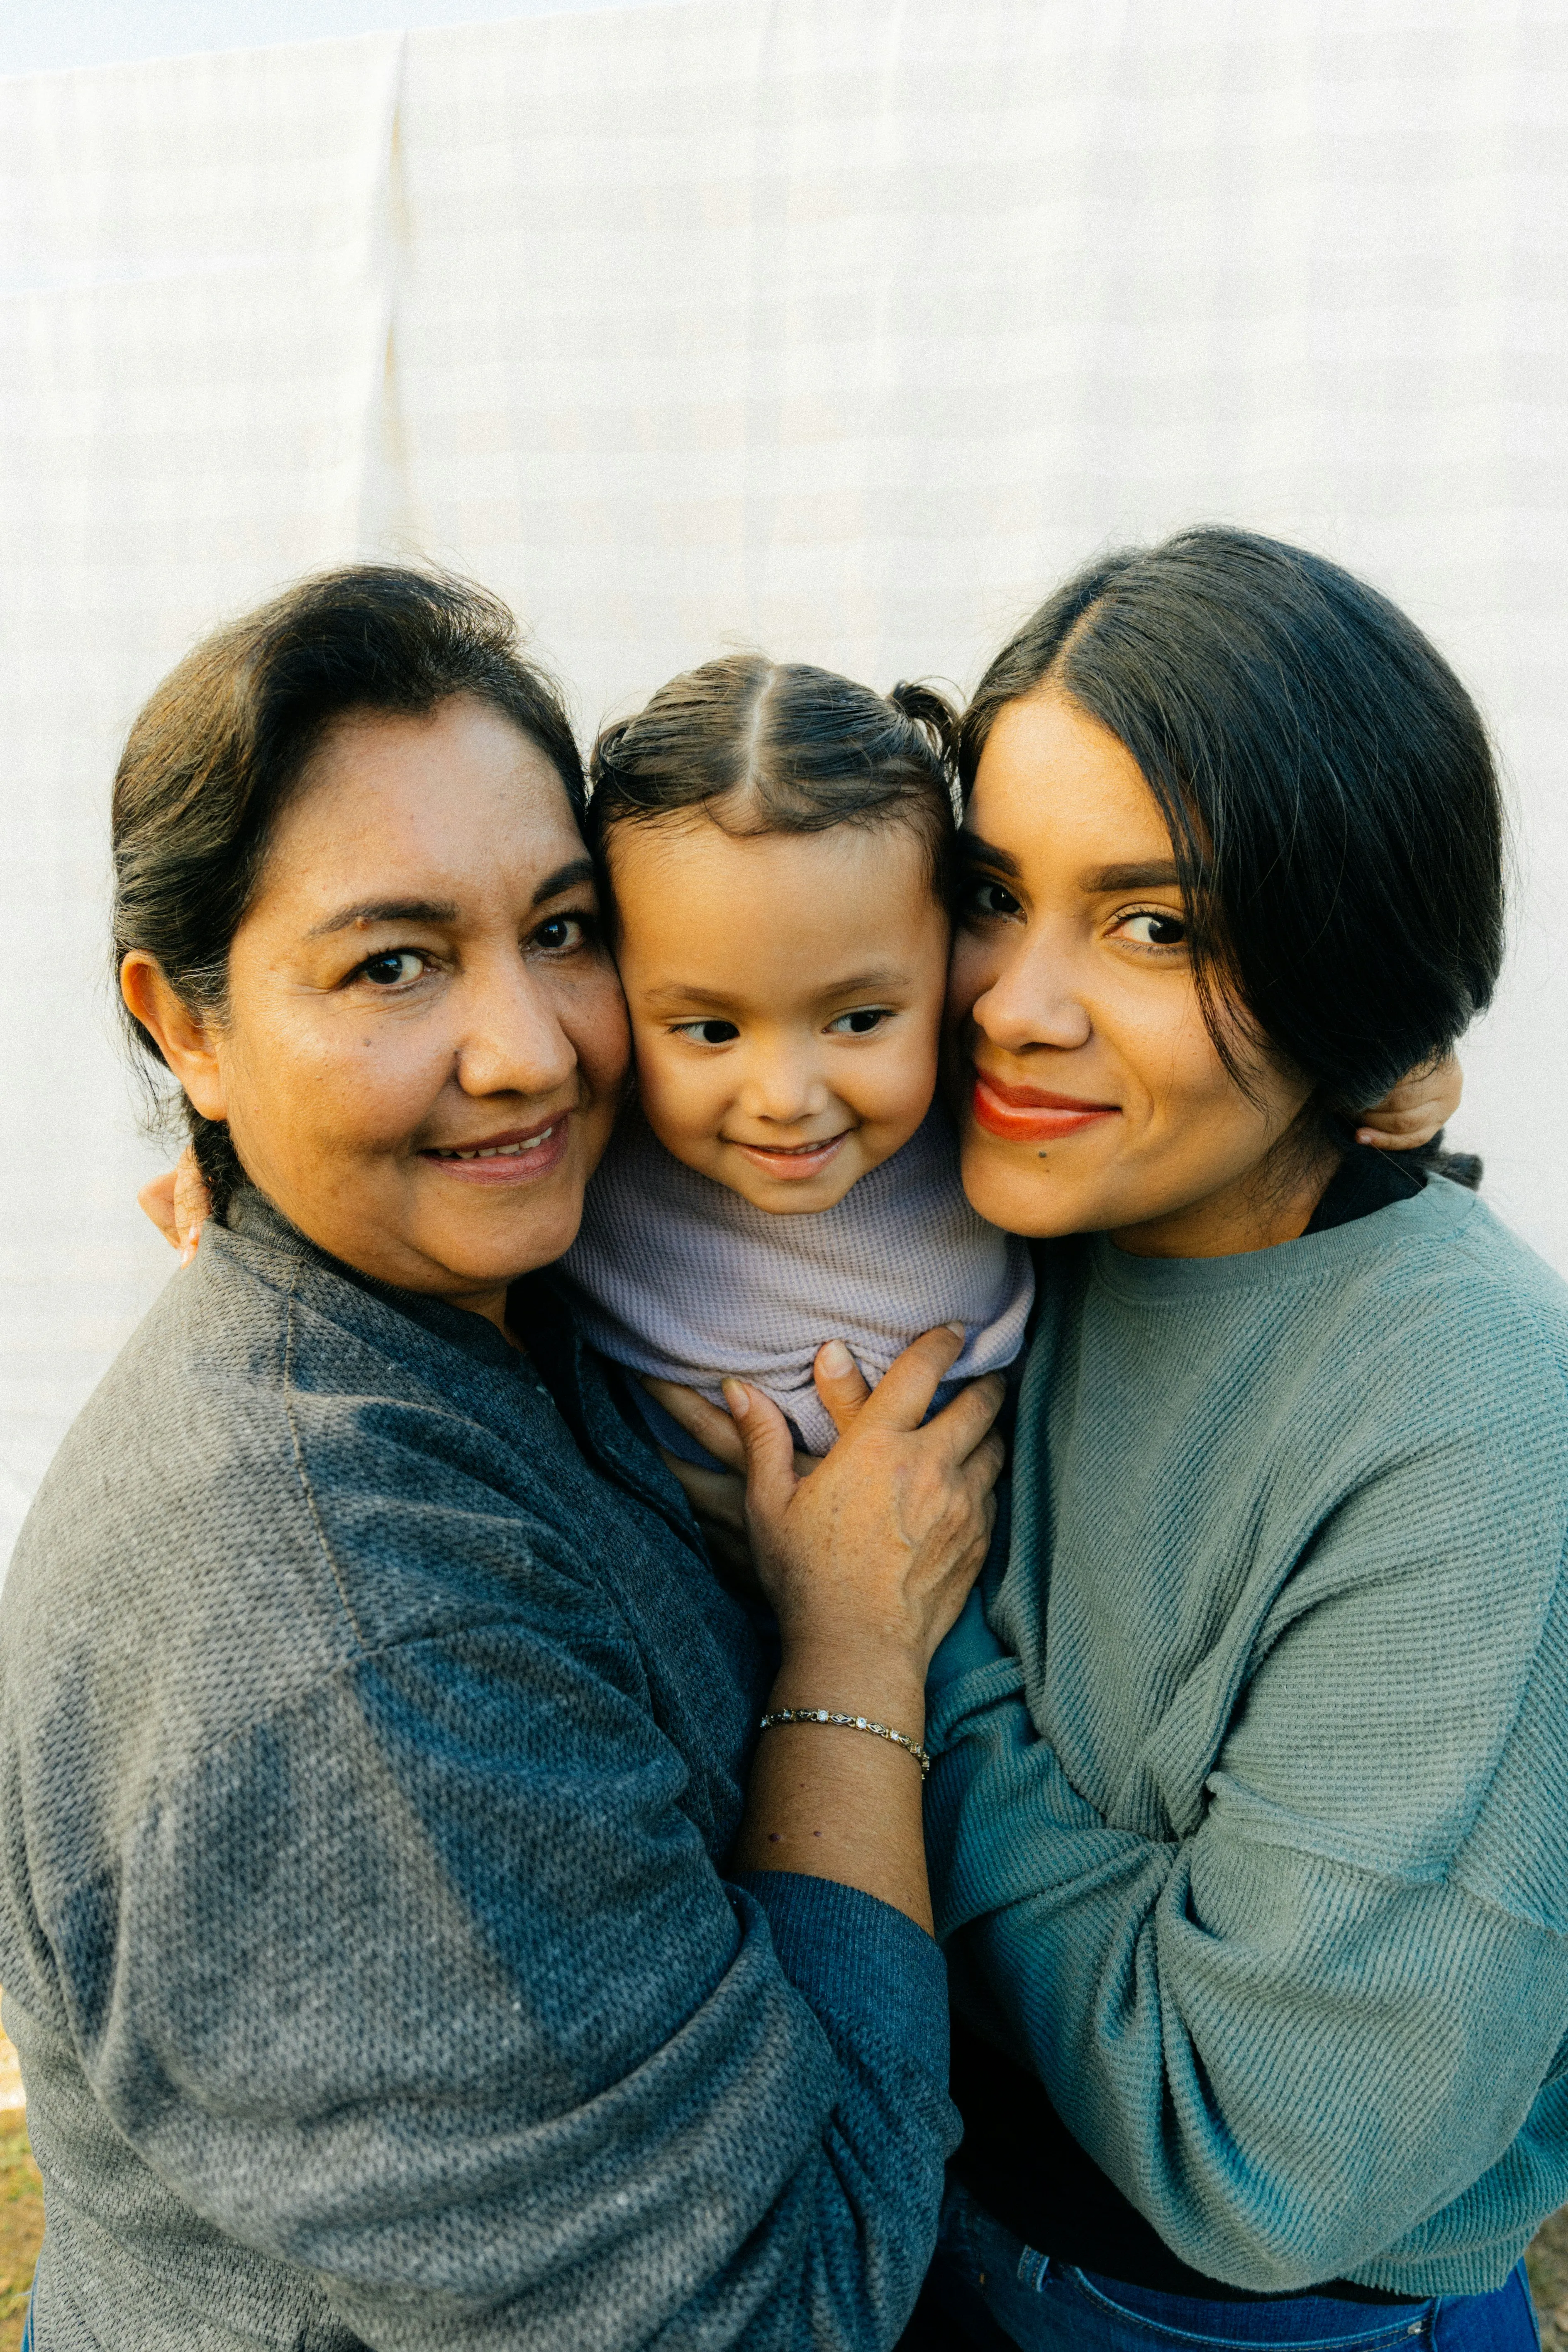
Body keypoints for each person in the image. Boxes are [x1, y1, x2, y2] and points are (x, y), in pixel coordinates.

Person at [0, 566, 1007, 2351]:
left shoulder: (487, 1287)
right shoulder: (338, 1644)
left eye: (558, 931)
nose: (529, 1050)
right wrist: (855, 1645)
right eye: (391, 964)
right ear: (187, 1025)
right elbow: (771, 2313)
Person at [897, 526, 1568, 2352]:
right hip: (930, 2242)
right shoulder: (1011, 1209)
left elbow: (1257, 2137)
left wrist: (884, 1649)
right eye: (985, 890)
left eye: (1155, 924)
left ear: (1345, 949)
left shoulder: (1473, 1419)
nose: (1008, 1004)